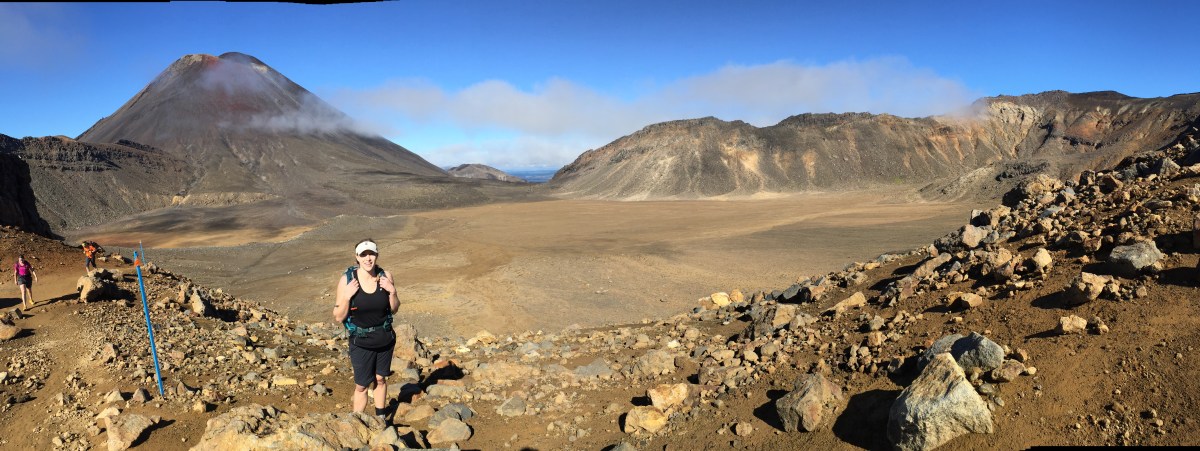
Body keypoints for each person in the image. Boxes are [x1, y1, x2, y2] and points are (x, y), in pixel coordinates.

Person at [332, 239, 399, 418]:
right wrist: (346, 297)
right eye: (363, 255)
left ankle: (381, 418)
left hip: (385, 338)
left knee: (380, 379)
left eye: (371, 254)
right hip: (361, 342)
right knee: (361, 386)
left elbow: (394, 309)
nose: (368, 258)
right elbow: (338, 316)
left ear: (377, 255)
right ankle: (357, 422)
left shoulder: (386, 276)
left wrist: (392, 291)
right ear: (357, 257)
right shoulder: (347, 281)